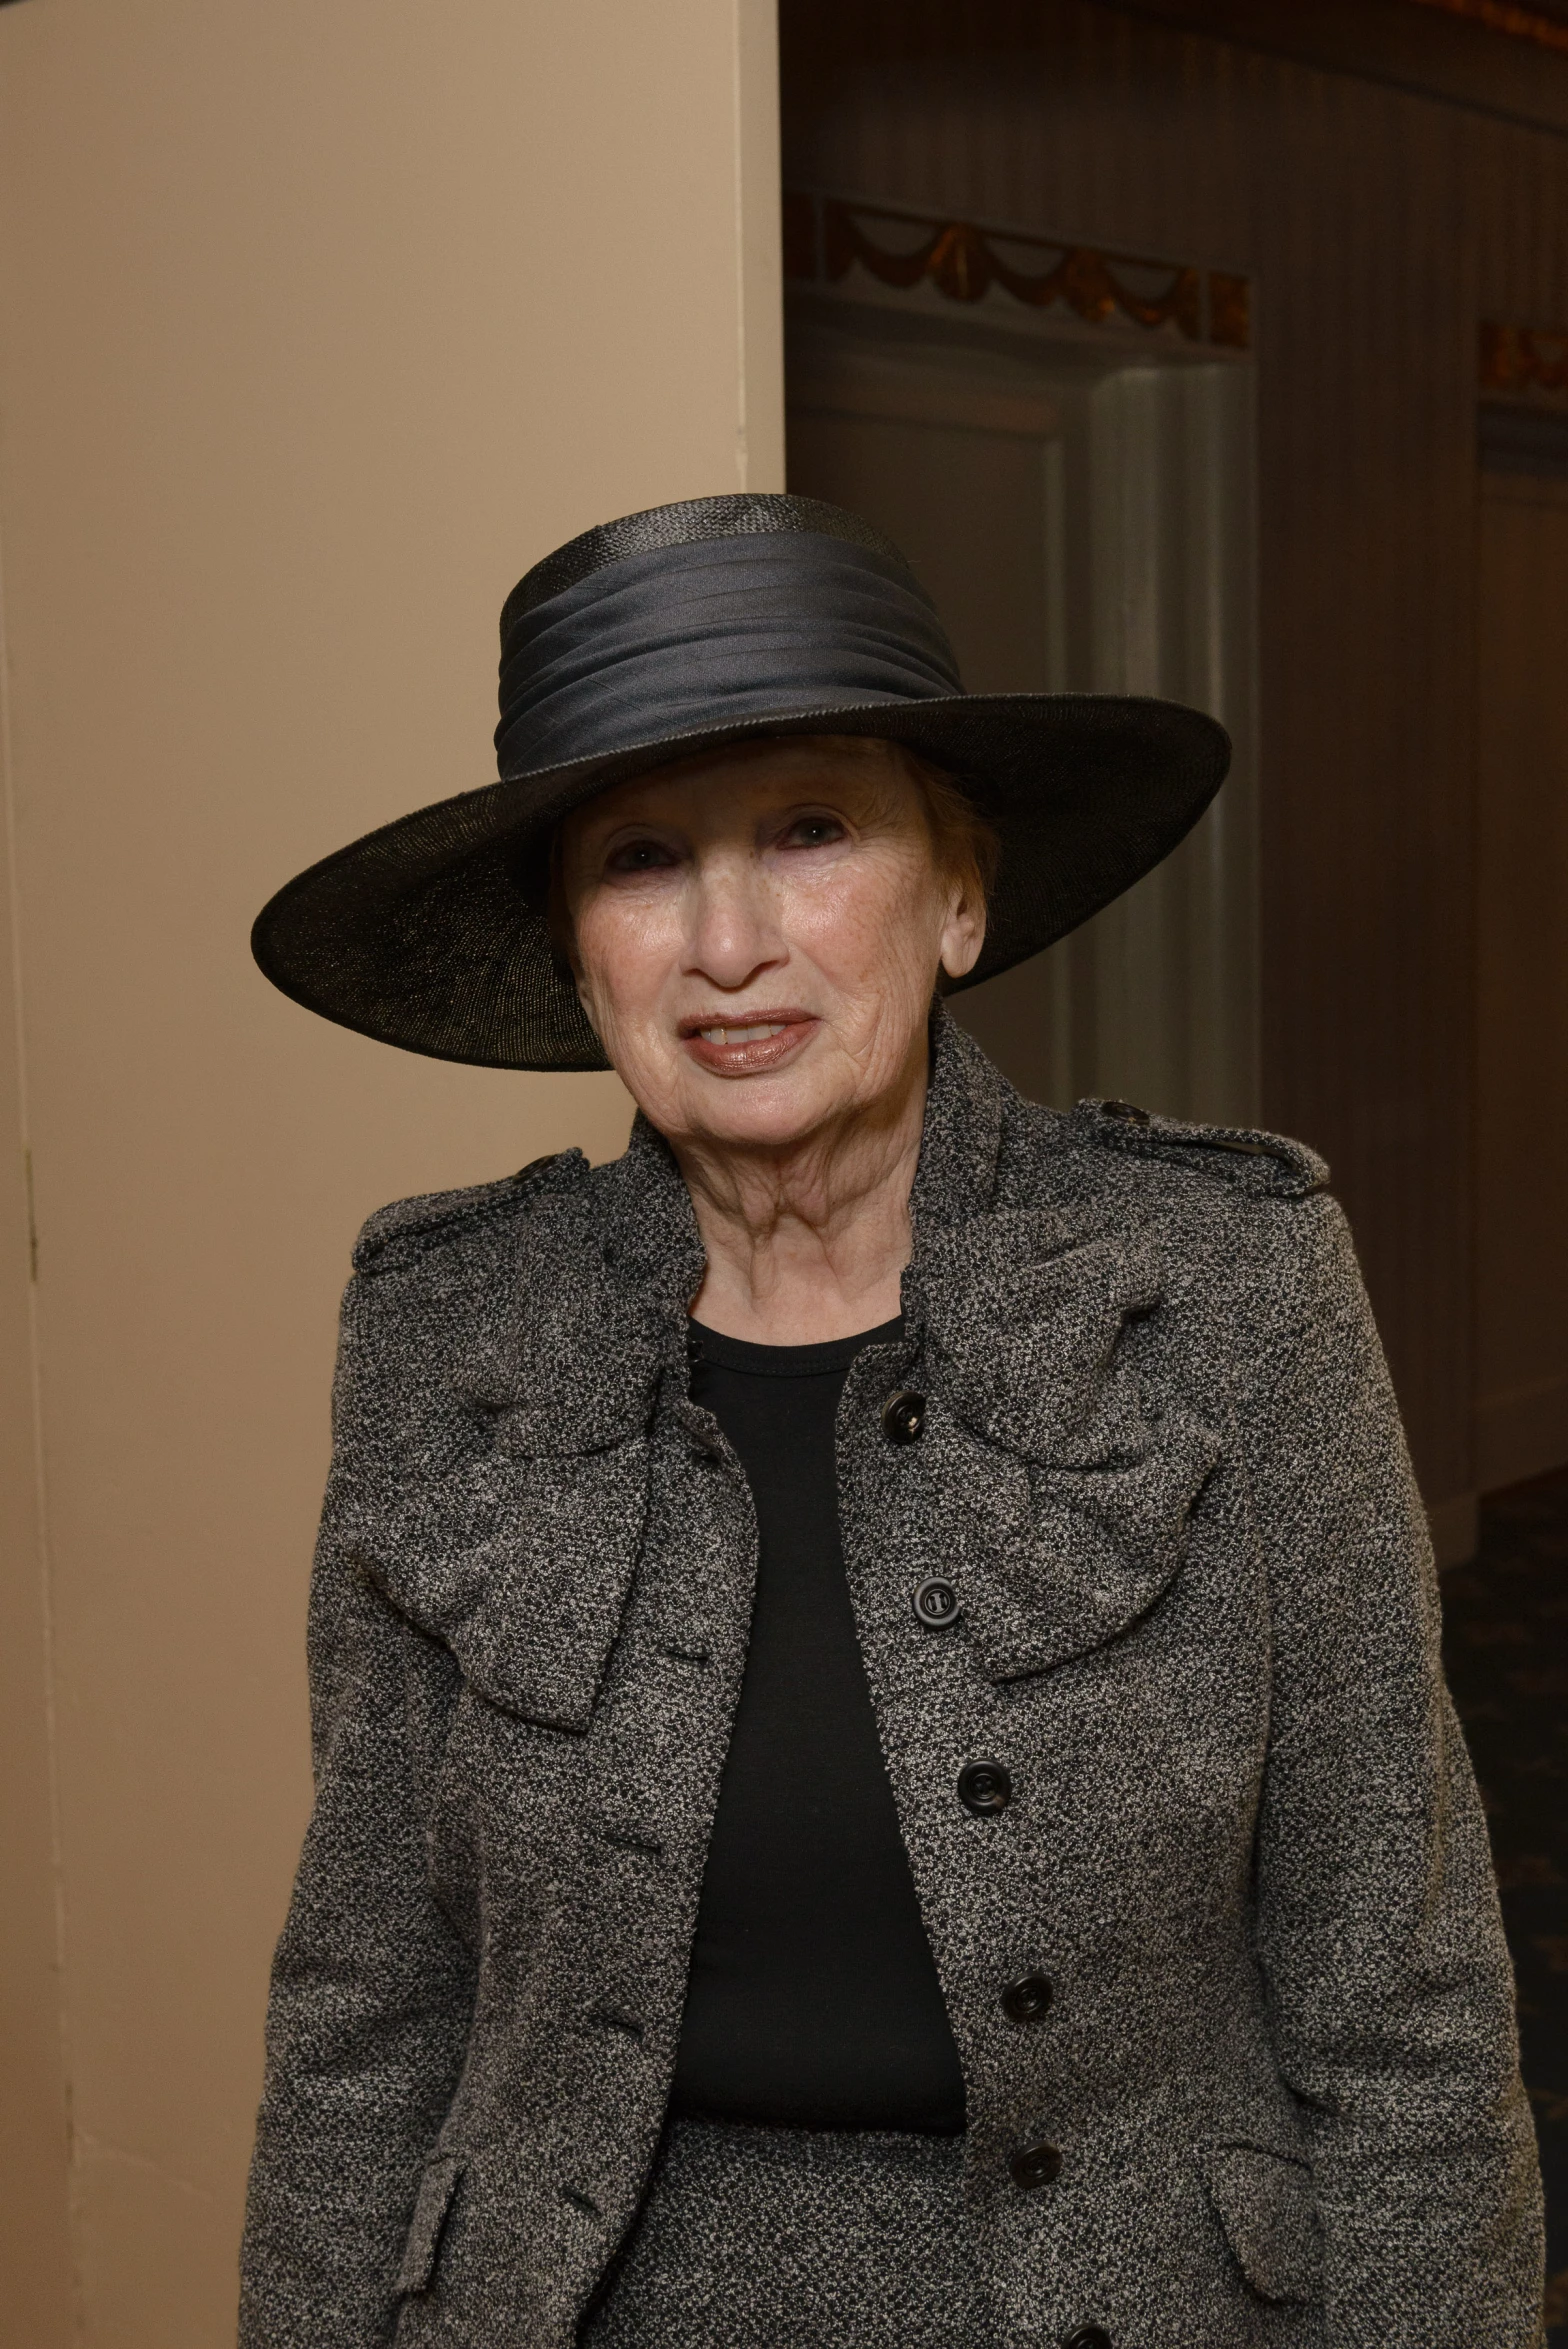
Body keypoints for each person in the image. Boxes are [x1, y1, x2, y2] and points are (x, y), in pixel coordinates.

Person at [239, 494, 1543, 2349]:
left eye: (812, 830)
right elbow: (368, 2009)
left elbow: (1397, 2001)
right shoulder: (448, 1330)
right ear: (575, 950)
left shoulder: (1228, 1282)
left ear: (957, 894)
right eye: (639, 859)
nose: (729, 939)